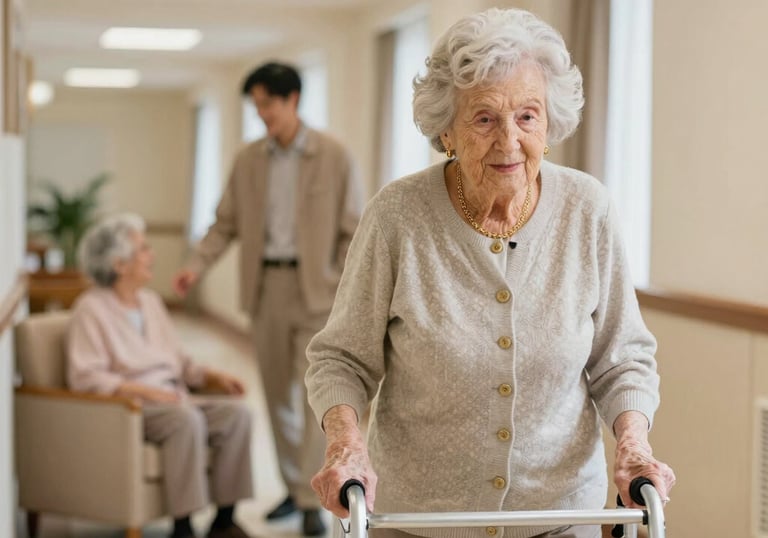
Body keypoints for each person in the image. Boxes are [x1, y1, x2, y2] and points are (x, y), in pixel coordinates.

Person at [305, 8, 676, 538]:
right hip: (421, 521)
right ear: (447, 132)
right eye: (484, 118)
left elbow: (623, 359)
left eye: (528, 115)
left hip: (559, 516)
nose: (509, 140)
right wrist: (346, 443)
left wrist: (633, 446)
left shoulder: (587, 209)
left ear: (549, 125)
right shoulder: (398, 217)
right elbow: (341, 358)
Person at [172, 61, 363, 537]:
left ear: (293, 100)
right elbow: (225, 223)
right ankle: (296, 489)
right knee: (276, 396)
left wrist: (340, 282)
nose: (261, 114)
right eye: (255, 105)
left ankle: (308, 501)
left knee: (312, 395)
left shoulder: (334, 156)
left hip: (317, 293)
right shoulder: (249, 161)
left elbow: (353, 229)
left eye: (268, 103)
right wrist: (196, 265)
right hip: (265, 290)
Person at [67, 213, 253, 538]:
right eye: (143, 249)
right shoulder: (90, 309)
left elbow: (179, 362)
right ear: (118, 263)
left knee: (238, 415)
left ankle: (224, 521)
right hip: (132, 406)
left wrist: (212, 375)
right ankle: (182, 527)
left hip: (175, 395)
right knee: (185, 419)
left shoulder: (151, 302)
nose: (151, 255)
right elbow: (86, 377)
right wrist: (144, 391)